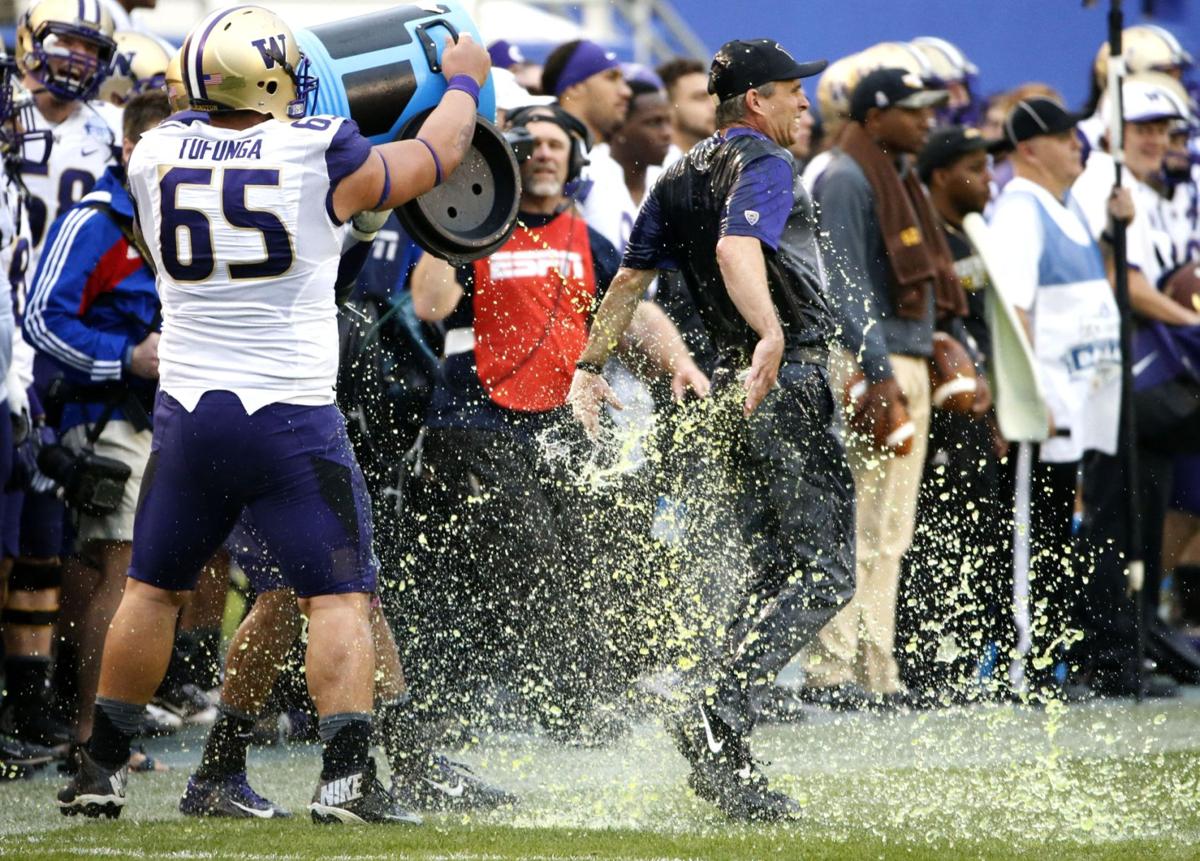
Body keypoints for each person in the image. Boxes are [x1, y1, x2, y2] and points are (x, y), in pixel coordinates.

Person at [55, 4, 491, 825]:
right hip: (289, 415)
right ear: (277, 75)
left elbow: (194, 146)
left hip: (186, 413)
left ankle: (99, 771)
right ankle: (345, 782)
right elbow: (440, 154)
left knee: (152, 589)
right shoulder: (318, 147)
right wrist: (463, 78)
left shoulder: (152, 150)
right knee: (339, 598)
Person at [569, 37, 855, 821]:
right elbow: (737, 248)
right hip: (778, 381)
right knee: (827, 573)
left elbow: (629, 279)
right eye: (794, 91)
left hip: (732, 390)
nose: (806, 104)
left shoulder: (678, 172)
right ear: (756, 101)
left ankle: (716, 743)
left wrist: (590, 366)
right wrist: (770, 331)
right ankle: (715, 700)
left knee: (768, 565)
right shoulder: (762, 158)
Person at [407, 104, 705, 742]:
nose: (542, 154)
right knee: (533, 554)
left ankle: (583, 690)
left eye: (554, 145)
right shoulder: (472, 231)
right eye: (527, 145)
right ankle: (559, 700)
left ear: (574, 158)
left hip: (563, 426)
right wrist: (453, 204)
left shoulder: (590, 242)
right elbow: (430, 303)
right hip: (475, 423)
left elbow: (634, 314)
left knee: (593, 551)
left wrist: (679, 362)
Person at [22, 90, 167, 749]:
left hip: (160, 411)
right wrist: (125, 358)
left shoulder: (179, 216)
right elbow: (41, 318)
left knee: (114, 564)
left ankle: (82, 714)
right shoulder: (96, 221)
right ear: (131, 147)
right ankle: (93, 733)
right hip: (101, 410)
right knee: (121, 561)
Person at [805, 67, 951, 705]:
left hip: (896, 359)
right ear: (873, 117)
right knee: (859, 521)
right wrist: (881, 370)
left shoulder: (897, 174)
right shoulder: (844, 175)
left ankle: (875, 667)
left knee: (889, 528)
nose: (927, 121)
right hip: (868, 364)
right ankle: (833, 669)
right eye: (913, 110)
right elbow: (842, 282)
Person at [4, 0, 123, 754]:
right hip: (16, 330)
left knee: (52, 536)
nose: (77, 59)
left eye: (90, 46)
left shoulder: (105, 133)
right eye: (65, 42)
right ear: (28, 44)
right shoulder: (11, 117)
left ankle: (36, 702)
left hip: (58, 341)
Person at [988, 96, 1126, 696]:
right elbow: (1014, 310)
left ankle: (1052, 659)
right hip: (1044, 411)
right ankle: (1029, 670)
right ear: (1028, 148)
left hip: (1081, 404)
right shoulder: (1020, 210)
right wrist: (1029, 392)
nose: (1078, 144)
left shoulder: (1065, 208)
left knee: (1057, 532)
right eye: (1063, 136)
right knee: (1034, 533)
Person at [896, 126, 1007, 701]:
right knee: (934, 533)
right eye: (976, 167)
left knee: (977, 533)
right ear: (940, 175)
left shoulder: (973, 237)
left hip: (979, 408)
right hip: (939, 411)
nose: (989, 179)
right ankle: (923, 664)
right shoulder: (922, 235)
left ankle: (965, 660)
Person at [541, 39, 631, 145]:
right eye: (611, 78)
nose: (627, 92)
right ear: (574, 87)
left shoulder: (605, 158)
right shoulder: (544, 156)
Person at [656, 57, 716, 163]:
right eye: (700, 97)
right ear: (667, 108)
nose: (714, 106)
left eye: (714, 97)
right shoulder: (654, 172)